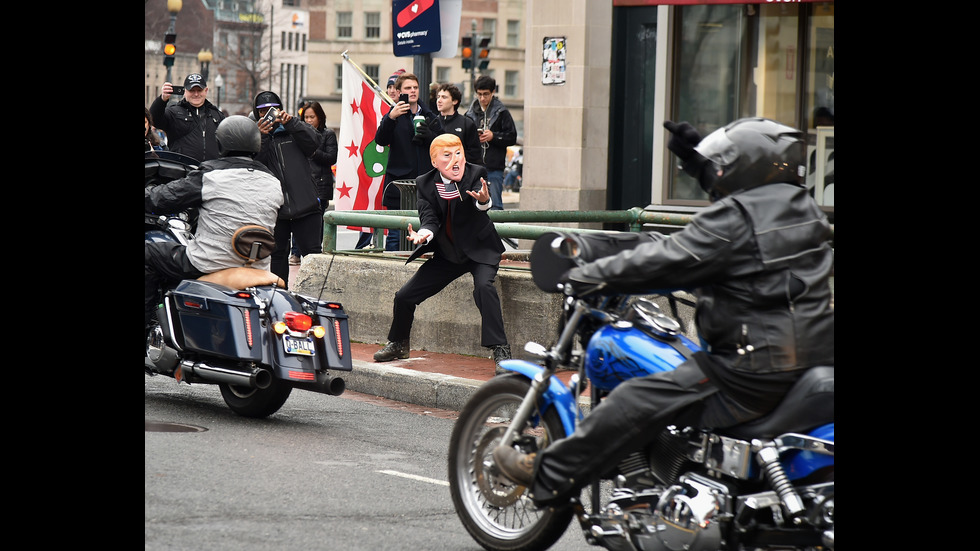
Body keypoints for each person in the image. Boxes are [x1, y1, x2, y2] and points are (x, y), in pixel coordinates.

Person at [493, 117, 835, 506]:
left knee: (633, 400)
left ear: (745, 169)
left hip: (747, 370)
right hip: (806, 359)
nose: (718, 174)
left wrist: (589, 276)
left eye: (725, 165)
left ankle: (548, 474)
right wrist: (699, 160)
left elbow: (666, 259)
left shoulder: (735, 220)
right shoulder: (804, 209)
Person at [373, 133, 511, 373]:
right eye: (447, 156)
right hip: (449, 254)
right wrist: (423, 235)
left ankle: (501, 350)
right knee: (404, 296)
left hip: (480, 250)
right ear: (434, 161)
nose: (455, 160)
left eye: (459, 154)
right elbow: (429, 218)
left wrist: (484, 201)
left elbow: (482, 204)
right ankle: (399, 343)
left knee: (484, 289)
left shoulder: (475, 173)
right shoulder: (425, 183)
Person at [145, 116, 284, 334]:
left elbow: (161, 199)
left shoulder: (211, 175)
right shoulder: (273, 182)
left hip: (209, 262)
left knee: (148, 252)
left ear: (220, 144)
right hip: (257, 265)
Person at [251, 91, 322, 287]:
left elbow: (314, 142)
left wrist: (292, 123)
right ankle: (280, 296)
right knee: (277, 257)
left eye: (271, 110)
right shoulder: (254, 136)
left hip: (306, 206)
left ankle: (312, 298)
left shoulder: (293, 129)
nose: (267, 115)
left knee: (312, 256)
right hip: (276, 209)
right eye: (262, 111)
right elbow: (256, 164)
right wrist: (261, 137)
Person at [374, 72, 444, 251]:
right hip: (398, 186)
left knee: (425, 235)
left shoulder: (430, 115)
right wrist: (391, 118)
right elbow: (380, 140)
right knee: (396, 237)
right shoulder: (393, 114)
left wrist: (430, 137)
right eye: (407, 88)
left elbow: (444, 145)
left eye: (415, 87)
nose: (412, 91)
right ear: (398, 92)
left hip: (426, 186)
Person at [355, 70, 408, 250]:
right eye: (389, 87)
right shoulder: (381, 108)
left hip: (402, 175)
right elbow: (379, 138)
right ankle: (364, 244)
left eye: (396, 87)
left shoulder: (415, 112)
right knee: (377, 214)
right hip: (382, 174)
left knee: (405, 229)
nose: (392, 91)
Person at [289, 101, 338, 265]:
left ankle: (315, 254)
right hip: (302, 183)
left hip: (320, 185)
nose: (309, 120)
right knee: (298, 218)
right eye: (306, 117)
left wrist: (314, 152)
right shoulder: (298, 134)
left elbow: (331, 158)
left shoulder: (328, 134)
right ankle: (295, 253)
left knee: (317, 223)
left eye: (312, 117)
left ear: (320, 117)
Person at [465, 76, 517, 211]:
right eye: (479, 94)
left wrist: (494, 136)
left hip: (494, 167)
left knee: (495, 206)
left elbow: (512, 137)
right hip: (473, 166)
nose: (482, 98)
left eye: (486, 94)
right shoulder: (470, 113)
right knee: (474, 206)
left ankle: (496, 232)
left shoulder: (502, 112)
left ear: (493, 92)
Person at [149, 73, 225, 162]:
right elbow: (154, 119)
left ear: (206, 91)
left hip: (211, 172)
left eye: (199, 90)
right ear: (185, 91)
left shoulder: (217, 115)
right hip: (183, 170)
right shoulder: (174, 112)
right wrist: (162, 100)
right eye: (192, 90)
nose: (196, 94)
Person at [435, 83, 482, 165]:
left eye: (444, 97)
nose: (439, 100)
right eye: (438, 97)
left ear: (454, 101)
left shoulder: (467, 123)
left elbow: (475, 154)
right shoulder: (432, 122)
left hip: (461, 173)